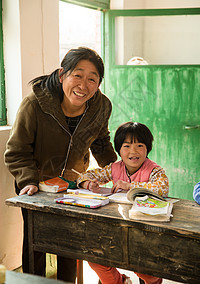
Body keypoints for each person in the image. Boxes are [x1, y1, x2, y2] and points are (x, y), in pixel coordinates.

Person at [4, 47, 117, 282]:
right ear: (61, 74)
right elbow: (17, 151)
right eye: (77, 75)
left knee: (71, 243)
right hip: (36, 185)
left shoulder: (101, 106)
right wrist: (29, 181)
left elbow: (101, 141)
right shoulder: (34, 104)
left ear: (98, 84)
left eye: (92, 79)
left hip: (73, 185)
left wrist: (121, 171)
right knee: (36, 244)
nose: (83, 85)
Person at [76, 121, 169, 284]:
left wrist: (130, 186)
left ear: (147, 148)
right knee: (95, 259)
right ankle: (120, 281)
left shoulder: (154, 170)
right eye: (126, 146)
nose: (133, 151)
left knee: (143, 267)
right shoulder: (114, 168)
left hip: (145, 233)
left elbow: (162, 188)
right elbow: (84, 176)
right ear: (118, 150)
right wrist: (88, 184)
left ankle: (153, 281)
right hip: (115, 229)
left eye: (140, 145)